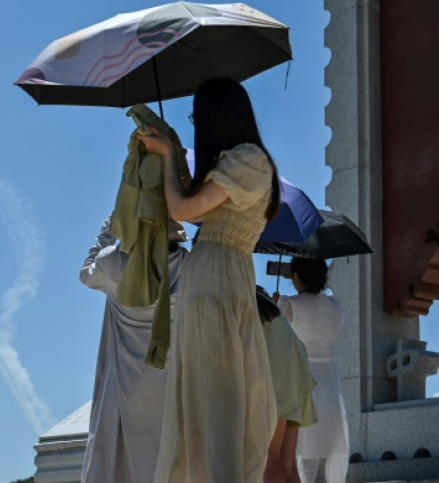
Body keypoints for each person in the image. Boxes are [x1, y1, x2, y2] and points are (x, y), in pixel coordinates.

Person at [137, 77, 281, 483]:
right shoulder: (237, 162)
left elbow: (183, 209)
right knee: (213, 397)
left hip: (217, 277)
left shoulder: (248, 159)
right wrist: (174, 152)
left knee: (219, 400)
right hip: (219, 276)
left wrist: (167, 154)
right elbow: (194, 207)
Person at [79, 215, 189, 483]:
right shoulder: (188, 265)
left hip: (125, 385)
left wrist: (106, 233)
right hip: (173, 383)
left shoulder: (113, 263)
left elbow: (85, 274)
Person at [274, 258, 348, 483]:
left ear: (296, 277)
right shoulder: (336, 305)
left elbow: (277, 339)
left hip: (304, 385)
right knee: (325, 465)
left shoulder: (289, 305)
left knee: (301, 458)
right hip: (331, 387)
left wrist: (275, 304)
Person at [256, 286, 317, 483]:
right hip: (297, 378)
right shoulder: (273, 313)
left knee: (268, 460)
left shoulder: (248, 306)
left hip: (278, 380)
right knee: (288, 464)